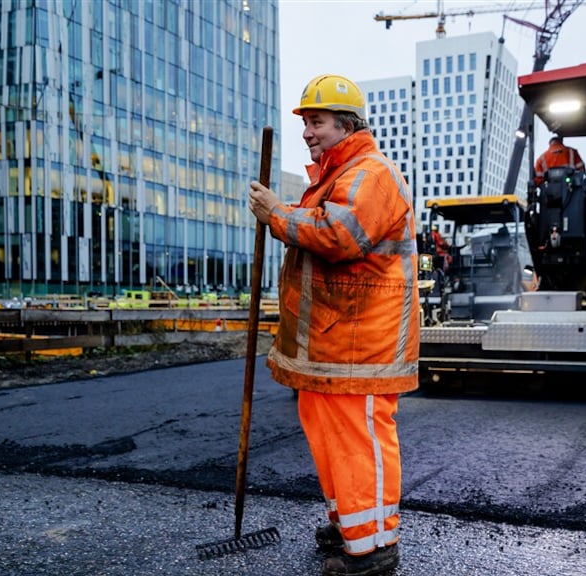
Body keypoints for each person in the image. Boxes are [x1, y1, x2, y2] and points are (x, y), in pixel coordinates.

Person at [248, 74, 419, 576]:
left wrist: (276, 213)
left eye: (316, 122)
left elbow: (340, 236)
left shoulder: (370, 174)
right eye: (304, 122)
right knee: (331, 441)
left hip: (359, 341)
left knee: (358, 439)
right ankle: (352, 525)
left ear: (347, 124)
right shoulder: (334, 176)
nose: (307, 132)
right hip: (333, 339)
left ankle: (375, 550)